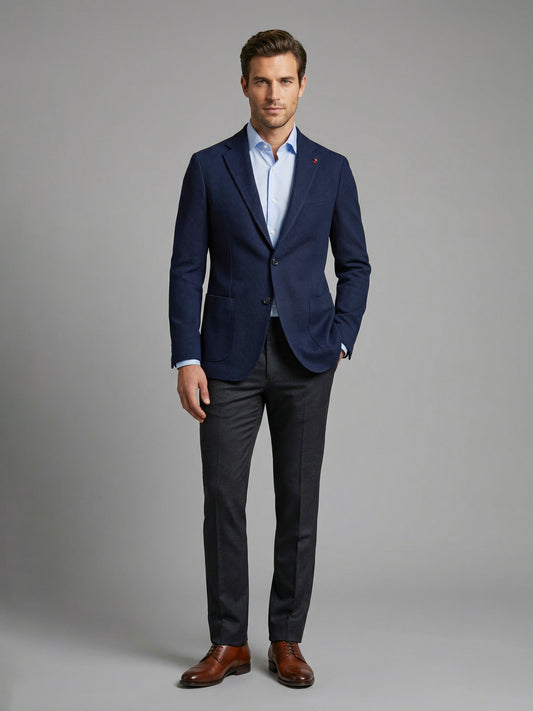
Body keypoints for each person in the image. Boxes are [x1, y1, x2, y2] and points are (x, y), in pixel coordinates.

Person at [169, 29, 370, 689]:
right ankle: (228, 641)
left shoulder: (331, 168)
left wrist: (340, 336)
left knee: (298, 501)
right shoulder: (209, 166)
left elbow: (355, 264)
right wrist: (186, 356)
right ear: (244, 85)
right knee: (222, 499)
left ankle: (286, 638)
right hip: (225, 357)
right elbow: (186, 268)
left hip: (307, 356)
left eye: (284, 80)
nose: (273, 93)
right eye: (261, 80)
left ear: (301, 85)